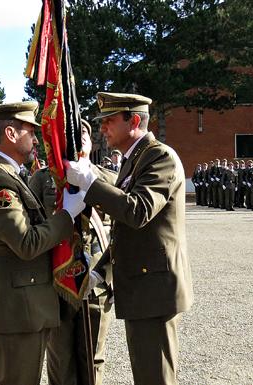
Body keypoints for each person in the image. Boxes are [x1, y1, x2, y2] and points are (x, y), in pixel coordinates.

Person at [65, 92, 193, 385]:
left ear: (134, 120)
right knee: (146, 372)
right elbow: (126, 231)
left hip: (154, 288)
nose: (103, 128)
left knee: (155, 376)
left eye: (109, 121)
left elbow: (137, 212)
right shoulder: (134, 158)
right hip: (142, 285)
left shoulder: (160, 156)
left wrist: (90, 182)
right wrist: (101, 271)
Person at [0, 101, 86, 385]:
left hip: (22, 305)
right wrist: (68, 214)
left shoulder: (4, 173)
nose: (35, 139)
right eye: (30, 132)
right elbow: (27, 242)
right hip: (15, 308)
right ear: (10, 133)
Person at [31, 119, 116, 385]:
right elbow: (32, 229)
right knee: (60, 359)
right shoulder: (43, 178)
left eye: (84, 133)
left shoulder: (108, 179)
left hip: (96, 282)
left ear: (92, 141)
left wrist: (104, 275)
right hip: (56, 282)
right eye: (70, 133)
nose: (78, 138)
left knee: (93, 359)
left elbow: (123, 236)